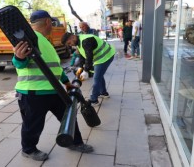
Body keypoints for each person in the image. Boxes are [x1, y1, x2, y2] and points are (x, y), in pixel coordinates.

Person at [12, 10, 93, 161]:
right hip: (33, 93)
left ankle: (75, 142)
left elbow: (55, 68)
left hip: (54, 90)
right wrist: (18, 57)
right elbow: (18, 62)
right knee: (33, 124)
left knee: (68, 117)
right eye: (53, 23)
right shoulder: (28, 37)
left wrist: (67, 83)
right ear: (49, 22)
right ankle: (28, 149)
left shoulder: (45, 41)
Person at [61, 32, 116, 107]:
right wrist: (80, 67)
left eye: (69, 43)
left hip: (105, 56)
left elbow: (89, 57)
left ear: (72, 37)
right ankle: (103, 93)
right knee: (99, 75)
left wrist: (86, 70)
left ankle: (94, 100)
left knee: (96, 77)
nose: (70, 45)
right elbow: (82, 55)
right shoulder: (79, 42)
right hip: (100, 58)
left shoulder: (86, 41)